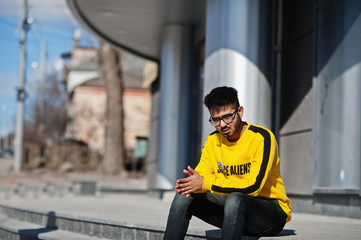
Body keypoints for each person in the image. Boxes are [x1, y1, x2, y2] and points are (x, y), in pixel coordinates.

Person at [164, 86, 291, 240]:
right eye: (216, 120)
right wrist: (190, 184)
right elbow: (202, 177)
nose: (222, 125)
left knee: (235, 199)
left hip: (270, 214)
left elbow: (254, 187)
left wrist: (206, 183)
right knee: (184, 196)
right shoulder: (213, 141)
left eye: (227, 117)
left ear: (240, 112)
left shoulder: (262, 138)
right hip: (234, 213)